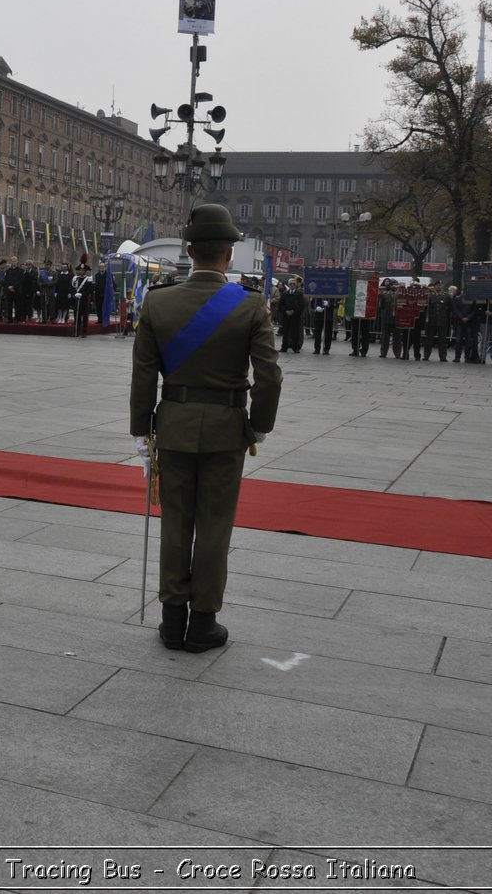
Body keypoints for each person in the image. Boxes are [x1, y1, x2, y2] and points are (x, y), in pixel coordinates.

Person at [129, 204, 282, 653]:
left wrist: (142, 432)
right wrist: (258, 427)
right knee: (215, 527)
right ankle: (204, 624)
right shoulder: (252, 305)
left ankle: (172, 620)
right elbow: (269, 376)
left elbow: (143, 375)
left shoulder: (157, 300)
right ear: (229, 254)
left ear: (189, 251)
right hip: (225, 429)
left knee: (175, 523)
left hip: (173, 426)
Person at [277, 276, 306, 353]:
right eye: (291, 284)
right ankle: (284, 347)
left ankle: (295, 347)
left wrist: (294, 311)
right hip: (286, 316)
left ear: (296, 285)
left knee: (295, 332)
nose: (292, 285)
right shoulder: (284, 294)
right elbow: (281, 305)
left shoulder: (299, 294)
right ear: (288, 285)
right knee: (285, 332)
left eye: (294, 284)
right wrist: (285, 311)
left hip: (295, 316)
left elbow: (301, 305)